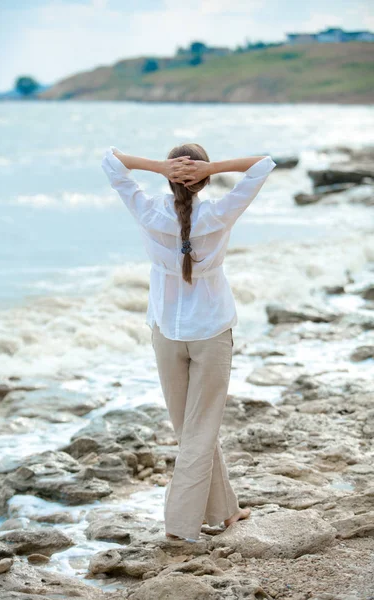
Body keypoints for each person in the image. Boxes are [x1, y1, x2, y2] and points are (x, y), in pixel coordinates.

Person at [101, 143, 276, 541]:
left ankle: (227, 512)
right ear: (205, 178)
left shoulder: (148, 210)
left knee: (192, 430)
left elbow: (112, 161)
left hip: (165, 334)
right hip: (212, 332)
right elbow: (262, 164)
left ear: (169, 177)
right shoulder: (218, 212)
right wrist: (208, 166)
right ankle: (180, 527)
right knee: (199, 432)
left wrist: (160, 166)